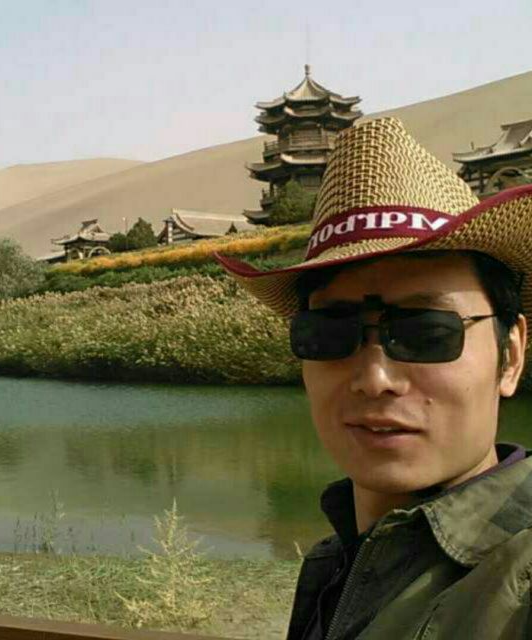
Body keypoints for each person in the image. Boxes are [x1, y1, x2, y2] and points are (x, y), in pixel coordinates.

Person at [215, 117, 532, 639]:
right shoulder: (336, 562)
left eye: (427, 332)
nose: (374, 378)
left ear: (511, 356)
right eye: (328, 333)